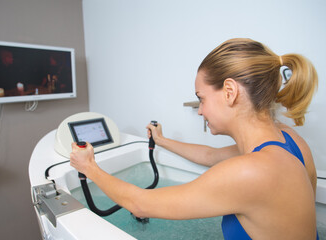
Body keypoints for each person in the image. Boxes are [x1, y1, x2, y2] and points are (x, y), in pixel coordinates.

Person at [70, 38, 319, 239]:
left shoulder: (252, 171)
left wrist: (89, 167)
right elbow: (210, 156)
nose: (200, 110)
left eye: (201, 98)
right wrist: (162, 140)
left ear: (230, 92)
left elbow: (139, 203)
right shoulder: (289, 140)